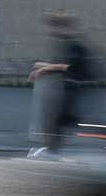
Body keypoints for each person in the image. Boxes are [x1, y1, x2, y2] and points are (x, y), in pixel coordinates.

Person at [30, 12, 93, 158]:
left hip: (75, 86)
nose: (51, 32)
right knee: (62, 118)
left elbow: (67, 66)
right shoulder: (68, 43)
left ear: (63, 27)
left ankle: (52, 150)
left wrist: (44, 68)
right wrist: (44, 67)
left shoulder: (74, 45)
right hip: (69, 86)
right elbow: (63, 65)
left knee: (64, 118)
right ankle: (51, 149)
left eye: (54, 28)